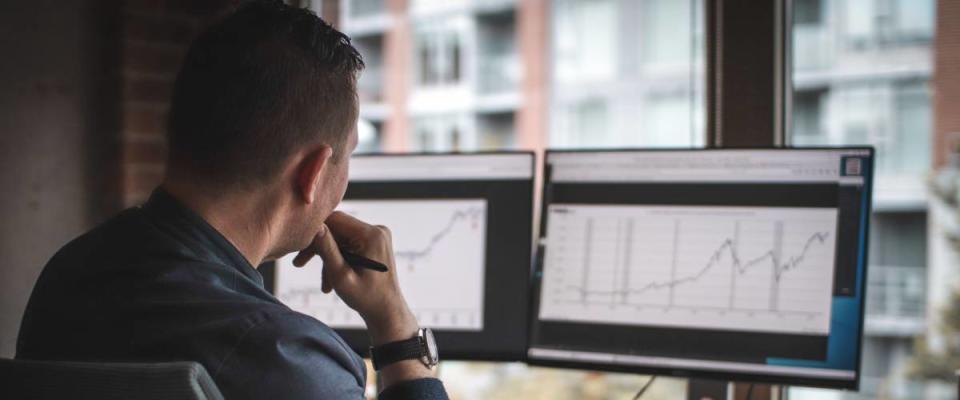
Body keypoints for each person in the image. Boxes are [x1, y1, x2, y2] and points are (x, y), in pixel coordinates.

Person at [15, 1, 448, 399]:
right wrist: (395, 324)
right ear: (312, 174)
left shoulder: (67, 274)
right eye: (348, 155)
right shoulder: (288, 360)